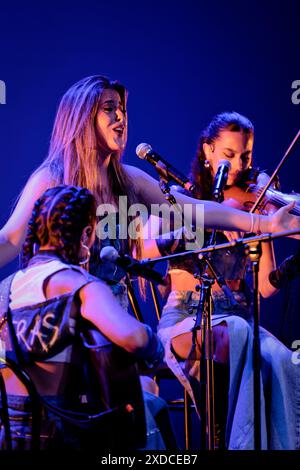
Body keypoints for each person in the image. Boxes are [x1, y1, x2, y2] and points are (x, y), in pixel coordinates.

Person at [0, 75, 299, 281]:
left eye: (123, 109)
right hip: (63, 313)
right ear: (81, 117)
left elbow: (195, 210)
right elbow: (11, 240)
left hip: (109, 316)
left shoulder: (129, 180)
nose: (121, 117)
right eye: (109, 109)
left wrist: (265, 224)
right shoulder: (52, 178)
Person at [142, 112, 300, 449]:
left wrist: (292, 263)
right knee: (238, 339)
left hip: (236, 315)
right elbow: (144, 248)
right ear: (207, 150)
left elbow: (265, 288)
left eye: (246, 156)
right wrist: (197, 225)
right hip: (187, 316)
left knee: (285, 360)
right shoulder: (173, 198)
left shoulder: (252, 208)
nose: (240, 165)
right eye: (229, 155)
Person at [0, 185, 167, 450]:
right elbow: (134, 338)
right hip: (65, 434)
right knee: (148, 407)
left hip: (10, 435)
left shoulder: (6, 287)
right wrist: (156, 349)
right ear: (87, 234)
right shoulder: (81, 285)